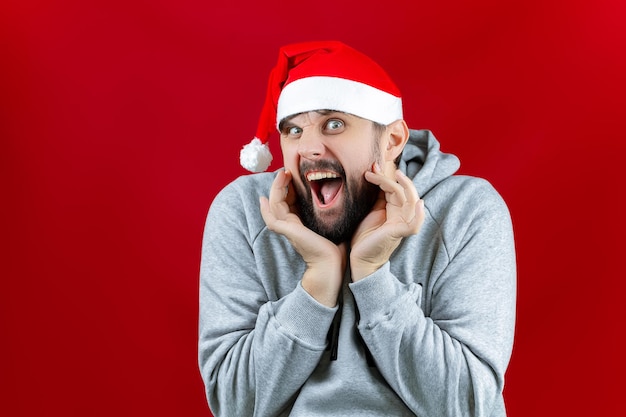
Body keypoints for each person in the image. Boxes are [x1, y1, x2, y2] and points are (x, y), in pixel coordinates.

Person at [198, 40, 516, 416]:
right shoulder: (247, 211)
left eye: (334, 124)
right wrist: (317, 283)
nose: (310, 148)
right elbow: (232, 404)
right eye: (293, 130)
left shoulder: (466, 210)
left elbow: (469, 404)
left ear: (393, 140)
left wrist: (372, 276)